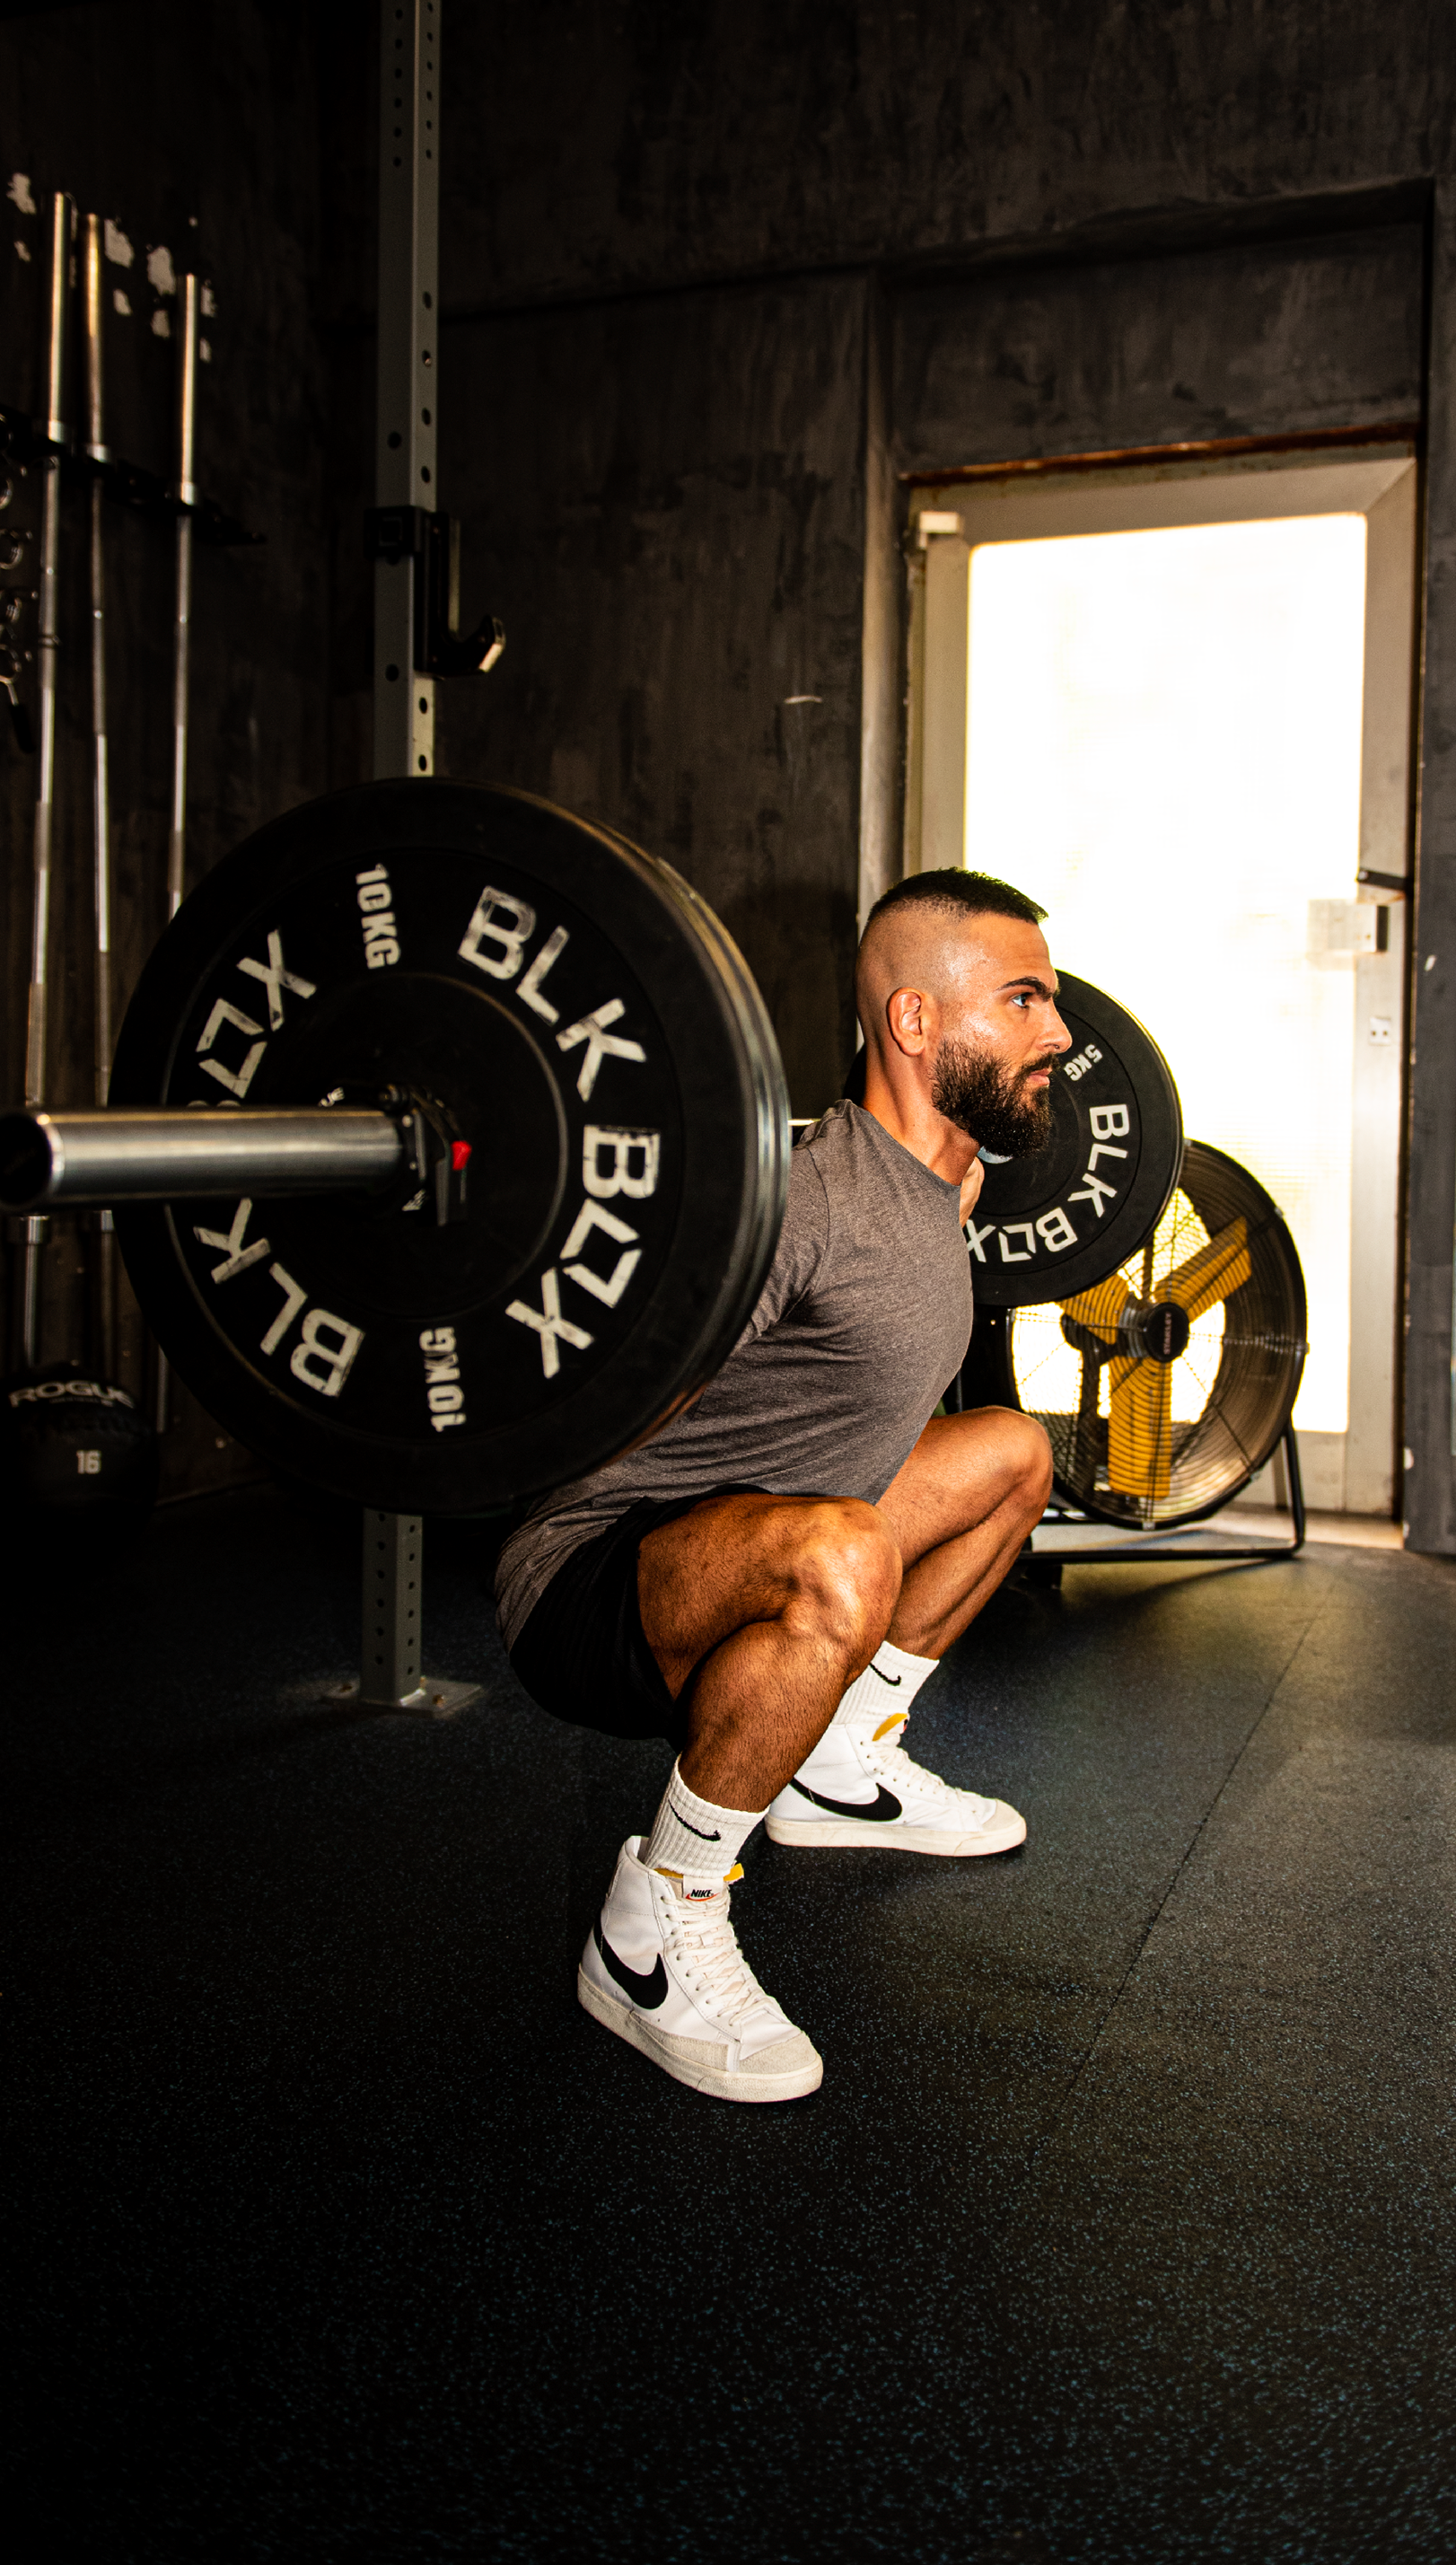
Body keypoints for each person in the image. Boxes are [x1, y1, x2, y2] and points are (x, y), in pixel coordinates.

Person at [495, 869, 1069, 2102]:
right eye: (1023, 1001)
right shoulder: (806, 1193)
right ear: (913, 1023)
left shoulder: (948, 1184)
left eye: (1051, 1002)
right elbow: (636, 1388)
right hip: (597, 1575)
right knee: (846, 1552)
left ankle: (839, 1764)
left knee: (1015, 1454)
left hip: (790, 1528)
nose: (1060, 1034)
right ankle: (652, 1924)